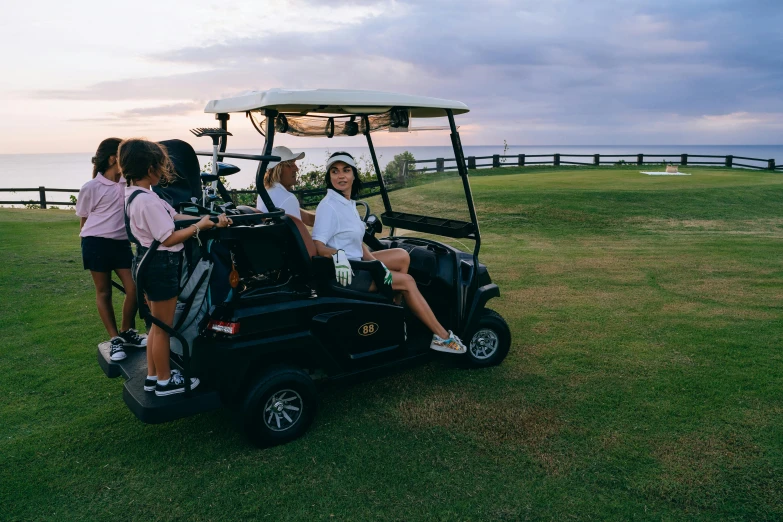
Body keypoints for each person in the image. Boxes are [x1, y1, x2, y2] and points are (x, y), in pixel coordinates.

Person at [311, 151, 466, 354]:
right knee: (408, 281)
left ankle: (395, 317)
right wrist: (339, 255)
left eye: (346, 170)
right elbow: (319, 246)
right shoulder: (328, 206)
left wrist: (377, 264)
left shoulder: (346, 203)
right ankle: (442, 338)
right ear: (329, 177)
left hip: (358, 262)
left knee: (401, 255)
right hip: (348, 274)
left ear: (353, 175)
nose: (341, 176)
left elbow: (357, 245)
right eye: (335, 171)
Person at [121, 139, 232, 396]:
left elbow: (173, 216)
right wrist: (199, 228)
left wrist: (209, 219)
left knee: (155, 327)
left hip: (148, 263)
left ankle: (152, 376)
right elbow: (168, 237)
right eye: (161, 166)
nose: (164, 172)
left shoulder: (138, 195)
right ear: (150, 169)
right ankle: (164, 381)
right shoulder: (147, 201)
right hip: (161, 266)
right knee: (162, 328)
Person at [76, 137, 146, 362]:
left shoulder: (129, 182)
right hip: (95, 243)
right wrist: (86, 245)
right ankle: (115, 339)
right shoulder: (91, 187)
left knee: (134, 288)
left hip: (121, 244)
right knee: (104, 292)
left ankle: (127, 332)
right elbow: (84, 219)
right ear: (113, 158)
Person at [256, 146, 315, 225]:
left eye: (294, 163)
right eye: (290, 164)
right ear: (278, 170)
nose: (296, 169)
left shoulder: (265, 194)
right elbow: (298, 235)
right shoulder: (288, 198)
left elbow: (307, 218)